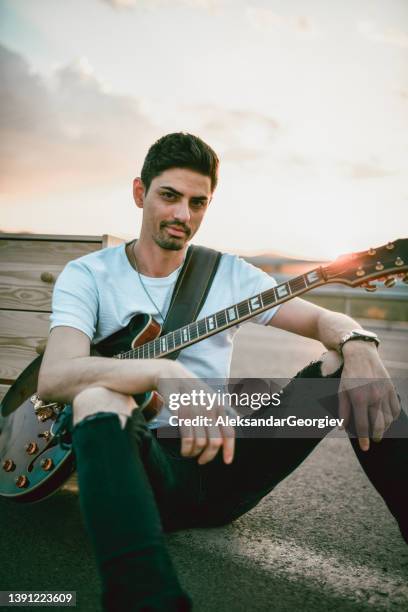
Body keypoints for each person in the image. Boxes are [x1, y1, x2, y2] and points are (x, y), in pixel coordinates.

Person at [38, 133, 407, 611]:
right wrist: (162, 373)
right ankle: (145, 598)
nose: (182, 215)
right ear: (139, 193)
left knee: (346, 366)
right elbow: (55, 377)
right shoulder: (88, 275)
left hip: (227, 459)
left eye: (198, 202)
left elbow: (321, 320)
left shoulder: (229, 274)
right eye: (169, 196)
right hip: (148, 471)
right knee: (96, 397)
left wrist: (359, 342)